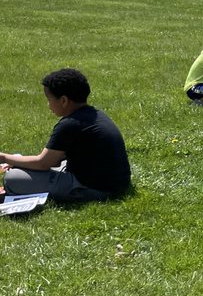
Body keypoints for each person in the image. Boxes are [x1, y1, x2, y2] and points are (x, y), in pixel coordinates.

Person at [0, 68, 130, 203]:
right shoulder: (95, 115)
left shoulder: (70, 124)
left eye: (49, 99)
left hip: (94, 189)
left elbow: (43, 163)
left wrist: (4, 157)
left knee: (13, 178)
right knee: (24, 165)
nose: (48, 105)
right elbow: (55, 159)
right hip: (116, 183)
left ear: (63, 100)